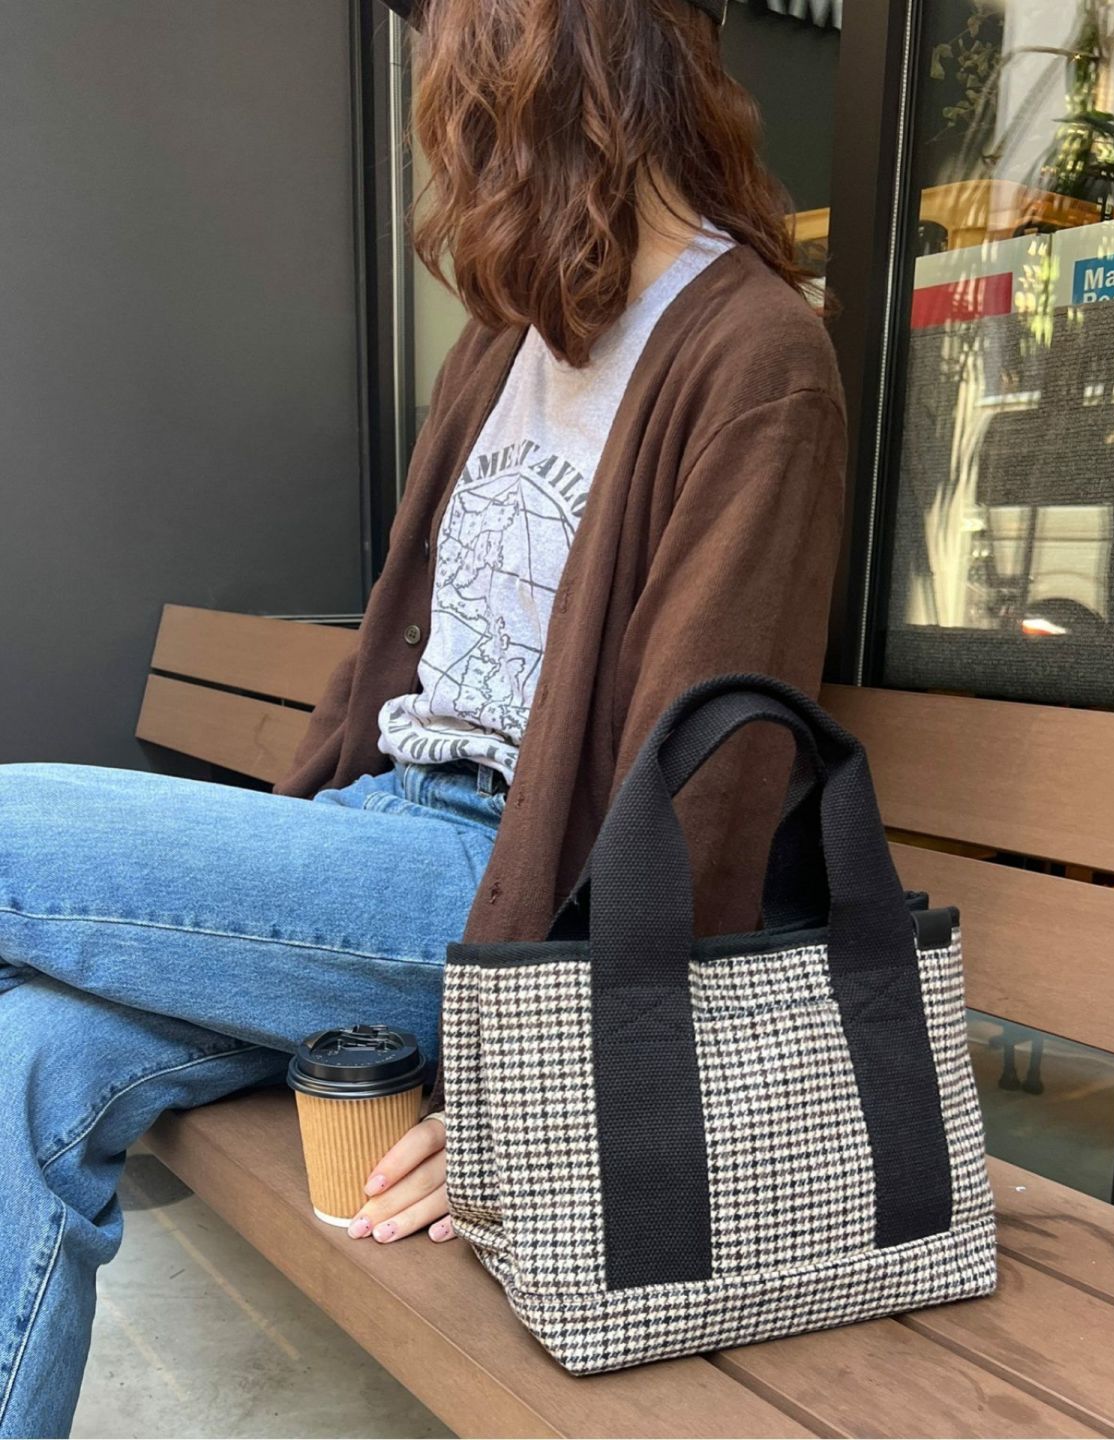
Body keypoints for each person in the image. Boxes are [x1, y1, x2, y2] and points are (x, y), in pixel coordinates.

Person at [0, 0, 846, 1433]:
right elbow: (400, 658)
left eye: (461, 76)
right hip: (379, 844)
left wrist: (543, 1092)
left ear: (565, 73)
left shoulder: (755, 356)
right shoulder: (506, 345)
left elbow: (709, 784)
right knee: (28, 1058)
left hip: (504, 898)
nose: (445, 125)